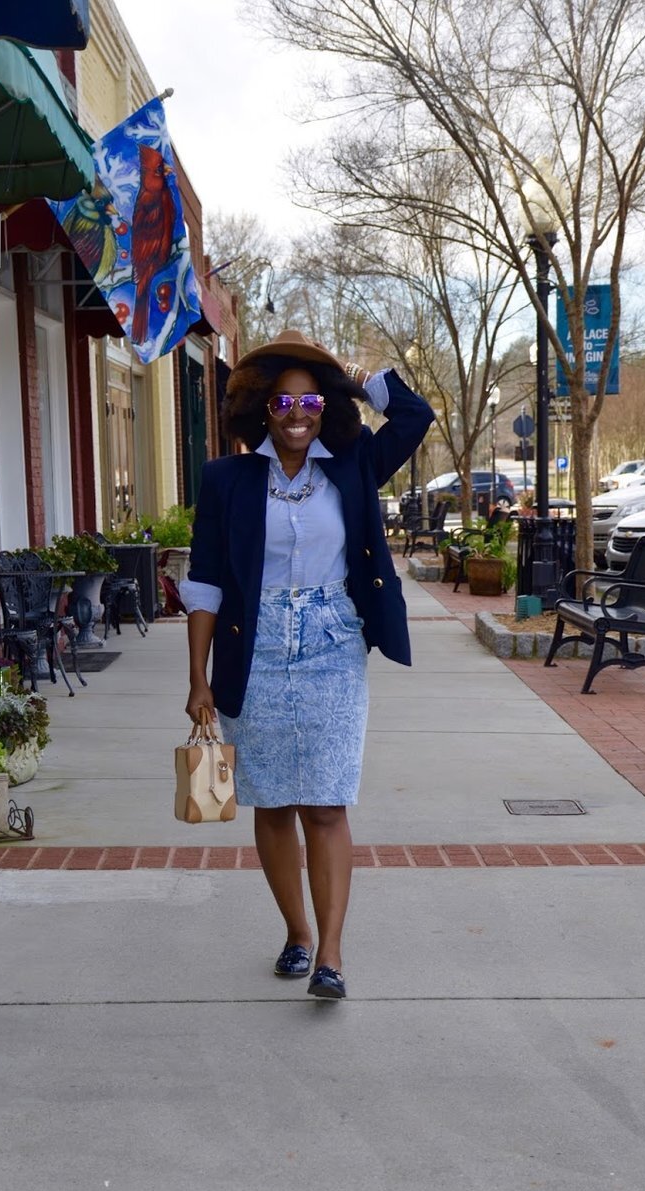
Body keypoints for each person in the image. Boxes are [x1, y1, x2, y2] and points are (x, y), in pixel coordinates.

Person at [181, 330, 432, 1000]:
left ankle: (331, 953)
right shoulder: (225, 480)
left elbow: (415, 416)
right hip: (252, 639)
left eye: (311, 399)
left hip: (330, 639)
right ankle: (295, 931)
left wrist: (349, 370)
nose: (298, 413)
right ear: (263, 408)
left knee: (325, 800)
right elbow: (205, 581)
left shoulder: (352, 465)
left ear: (327, 406)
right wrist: (198, 678)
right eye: (284, 401)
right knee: (272, 799)